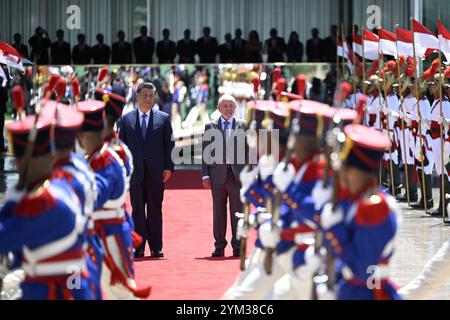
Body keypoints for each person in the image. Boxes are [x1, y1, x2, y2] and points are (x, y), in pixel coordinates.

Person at [0, 113, 93, 300]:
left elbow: (5, 236)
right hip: (62, 281)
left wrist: (13, 199)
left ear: (19, 162)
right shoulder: (59, 185)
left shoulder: (44, 202)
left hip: (59, 290)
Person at [77, 99, 149, 299]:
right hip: (99, 229)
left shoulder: (106, 157)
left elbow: (95, 197)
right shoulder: (101, 153)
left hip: (109, 232)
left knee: (120, 293)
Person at [320, 124, 401, 300]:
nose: (342, 175)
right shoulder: (355, 198)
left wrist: (335, 229)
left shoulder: (376, 208)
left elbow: (363, 269)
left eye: (346, 168)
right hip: (348, 289)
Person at [119, 82, 175, 258]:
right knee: (137, 211)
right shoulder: (126, 120)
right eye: (145, 95)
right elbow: (121, 147)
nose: (148, 99)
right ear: (137, 96)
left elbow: (170, 145)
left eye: (151, 96)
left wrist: (169, 167)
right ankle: (138, 246)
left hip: (156, 172)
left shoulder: (164, 119)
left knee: (154, 210)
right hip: (135, 173)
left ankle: (156, 247)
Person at [202, 94, 247, 258]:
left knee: (238, 212)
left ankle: (237, 246)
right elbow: (206, 152)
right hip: (217, 175)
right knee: (218, 212)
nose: (228, 109)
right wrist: (205, 176)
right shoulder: (210, 126)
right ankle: (219, 245)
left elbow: (250, 152)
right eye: (225, 106)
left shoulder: (244, 125)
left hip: (237, 176)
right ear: (219, 108)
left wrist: (250, 174)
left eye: (231, 106)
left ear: (235, 108)